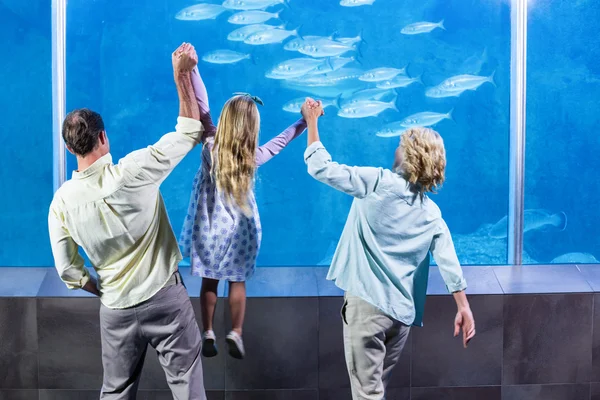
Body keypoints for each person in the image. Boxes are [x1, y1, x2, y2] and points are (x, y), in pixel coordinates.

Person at [48, 43, 207, 400]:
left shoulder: (60, 204)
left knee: (116, 392)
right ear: (103, 137)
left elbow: (68, 271)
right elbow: (189, 131)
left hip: (115, 310)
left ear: (70, 148)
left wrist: (102, 289)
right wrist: (182, 74)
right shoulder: (133, 172)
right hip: (165, 299)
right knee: (187, 387)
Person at [301, 98, 476, 400]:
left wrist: (312, 121)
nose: (395, 148)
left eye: (400, 144)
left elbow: (320, 168)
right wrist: (463, 307)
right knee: (376, 390)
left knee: (367, 394)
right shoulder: (432, 212)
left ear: (408, 155)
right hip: (401, 316)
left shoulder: (378, 182)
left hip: (368, 308)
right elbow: (449, 262)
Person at [179, 67, 307, 360]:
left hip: (210, 229)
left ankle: (208, 330)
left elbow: (203, 107)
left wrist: (194, 70)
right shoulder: (253, 157)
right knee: (237, 281)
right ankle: (236, 331)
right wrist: (303, 120)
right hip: (241, 232)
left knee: (210, 280)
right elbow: (280, 142)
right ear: (252, 127)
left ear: (226, 122)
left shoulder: (210, 147)